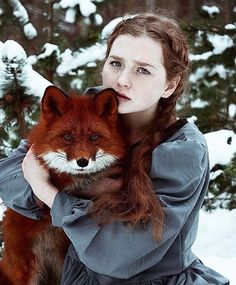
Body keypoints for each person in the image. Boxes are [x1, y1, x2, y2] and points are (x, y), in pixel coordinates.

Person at [0, 11, 229, 285]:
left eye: (142, 69)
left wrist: (47, 191)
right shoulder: (83, 112)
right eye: (116, 63)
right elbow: (9, 179)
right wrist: (80, 187)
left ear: (170, 84)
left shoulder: (182, 150)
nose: (122, 80)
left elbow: (116, 256)